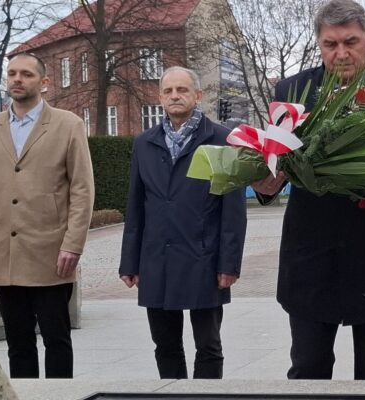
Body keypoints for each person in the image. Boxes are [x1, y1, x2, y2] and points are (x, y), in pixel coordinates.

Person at [251, 0, 365, 381]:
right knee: (309, 371)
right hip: (311, 260)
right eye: (331, 44)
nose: (342, 53)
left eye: (351, 42)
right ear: (319, 43)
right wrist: (265, 182)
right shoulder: (292, 91)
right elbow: (273, 174)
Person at [119, 66, 247, 379]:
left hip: (202, 257)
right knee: (165, 345)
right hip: (157, 258)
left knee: (208, 345)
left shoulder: (222, 139)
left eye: (182, 90)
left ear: (197, 95)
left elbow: (233, 208)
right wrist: (129, 262)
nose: (175, 96)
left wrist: (229, 263)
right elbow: (136, 206)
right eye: (168, 91)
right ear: (160, 96)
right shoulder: (144, 143)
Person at [0, 53, 94, 378]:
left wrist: (73, 244)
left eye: (26, 74)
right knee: (18, 343)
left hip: (52, 254)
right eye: (12, 73)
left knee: (56, 340)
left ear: (44, 83)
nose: (17, 79)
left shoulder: (68, 125)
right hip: (3, 255)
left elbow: (82, 188)